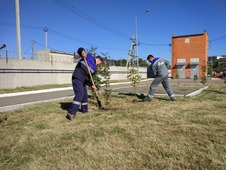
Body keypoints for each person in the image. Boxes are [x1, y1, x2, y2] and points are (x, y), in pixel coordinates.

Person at [67, 47, 103, 120]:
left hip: (83, 80)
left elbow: (89, 79)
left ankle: (84, 110)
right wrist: (82, 52)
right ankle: (71, 113)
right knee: (80, 94)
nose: (99, 65)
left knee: (85, 96)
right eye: (100, 63)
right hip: (77, 78)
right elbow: (80, 50)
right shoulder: (88, 56)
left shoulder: (94, 69)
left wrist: (92, 85)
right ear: (98, 60)